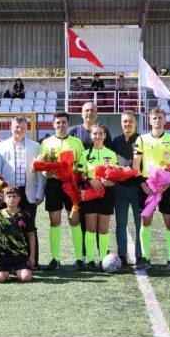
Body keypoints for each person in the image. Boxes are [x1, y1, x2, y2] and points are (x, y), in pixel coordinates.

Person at [133, 107, 170, 271]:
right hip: (147, 186)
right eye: (155, 118)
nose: (158, 121)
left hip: (166, 186)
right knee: (146, 221)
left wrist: (168, 183)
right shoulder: (141, 139)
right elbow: (135, 165)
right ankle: (145, 258)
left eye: (160, 118)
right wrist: (143, 185)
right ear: (150, 121)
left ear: (165, 120)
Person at [0, 116, 45, 268]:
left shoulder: (35, 146)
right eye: (16, 127)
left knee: (30, 227)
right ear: (11, 128)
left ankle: (32, 261)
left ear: (27, 129)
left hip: (28, 193)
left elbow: (40, 172)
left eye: (22, 127)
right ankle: (3, 261)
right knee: (5, 227)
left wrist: (40, 193)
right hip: (7, 194)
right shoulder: (1, 147)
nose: (19, 130)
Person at [39, 112, 87, 270]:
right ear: (53, 124)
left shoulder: (76, 142)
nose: (61, 125)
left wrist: (80, 182)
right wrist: (45, 172)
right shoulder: (46, 143)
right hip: (53, 185)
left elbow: (81, 164)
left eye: (63, 122)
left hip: (71, 184)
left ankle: (79, 258)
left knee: (74, 220)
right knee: (55, 221)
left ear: (68, 123)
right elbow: (43, 164)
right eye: (58, 122)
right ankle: (55, 259)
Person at [80, 124, 117, 270]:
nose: (98, 136)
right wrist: (90, 181)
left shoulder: (111, 154)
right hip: (90, 194)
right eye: (95, 134)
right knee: (90, 228)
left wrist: (111, 182)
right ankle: (90, 260)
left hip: (106, 195)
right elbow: (81, 173)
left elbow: (115, 174)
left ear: (105, 135)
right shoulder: (85, 154)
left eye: (100, 134)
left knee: (103, 229)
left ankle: (103, 260)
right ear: (91, 135)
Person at [111, 111, 142, 267]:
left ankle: (140, 256)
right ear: (121, 123)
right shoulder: (115, 141)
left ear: (135, 123)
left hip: (138, 188)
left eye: (130, 121)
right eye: (125, 121)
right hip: (120, 188)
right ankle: (122, 255)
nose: (127, 124)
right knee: (121, 224)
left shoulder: (142, 140)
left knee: (140, 224)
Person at [0, 186, 36, 283]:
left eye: (14, 196)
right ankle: (8, 271)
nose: (11, 199)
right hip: (3, 255)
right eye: (9, 196)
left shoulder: (25, 215)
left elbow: (31, 235)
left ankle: (19, 270)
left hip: (20, 255)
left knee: (26, 278)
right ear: (4, 199)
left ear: (19, 199)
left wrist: (32, 256)